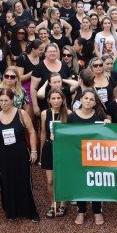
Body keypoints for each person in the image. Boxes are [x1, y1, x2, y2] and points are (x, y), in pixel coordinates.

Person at [0, 88, 39, 222]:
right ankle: (11, 211)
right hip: (3, 155)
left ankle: (30, 211)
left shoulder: (21, 114)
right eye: (1, 100)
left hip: (20, 153)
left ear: (12, 100)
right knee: (6, 181)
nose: (3, 103)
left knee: (24, 180)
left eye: (6, 100)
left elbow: (31, 131)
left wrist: (33, 150)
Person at [67, 88, 107, 225]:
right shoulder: (72, 117)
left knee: (96, 182)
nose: (88, 101)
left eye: (91, 99)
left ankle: (97, 211)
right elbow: (67, 136)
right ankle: (81, 210)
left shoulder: (100, 116)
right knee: (80, 183)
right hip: (77, 155)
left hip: (95, 156)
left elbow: (106, 136)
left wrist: (108, 126)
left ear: (95, 102)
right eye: (86, 98)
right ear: (80, 100)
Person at [40, 87, 69, 218]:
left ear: (63, 99)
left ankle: (63, 203)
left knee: (62, 178)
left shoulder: (68, 113)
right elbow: (43, 133)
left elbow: (72, 134)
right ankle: (53, 204)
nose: (56, 101)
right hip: (49, 147)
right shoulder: (45, 113)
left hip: (63, 149)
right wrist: (41, 152)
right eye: (53, 98)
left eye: (59, 98)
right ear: (49, 100)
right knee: (50, 181)